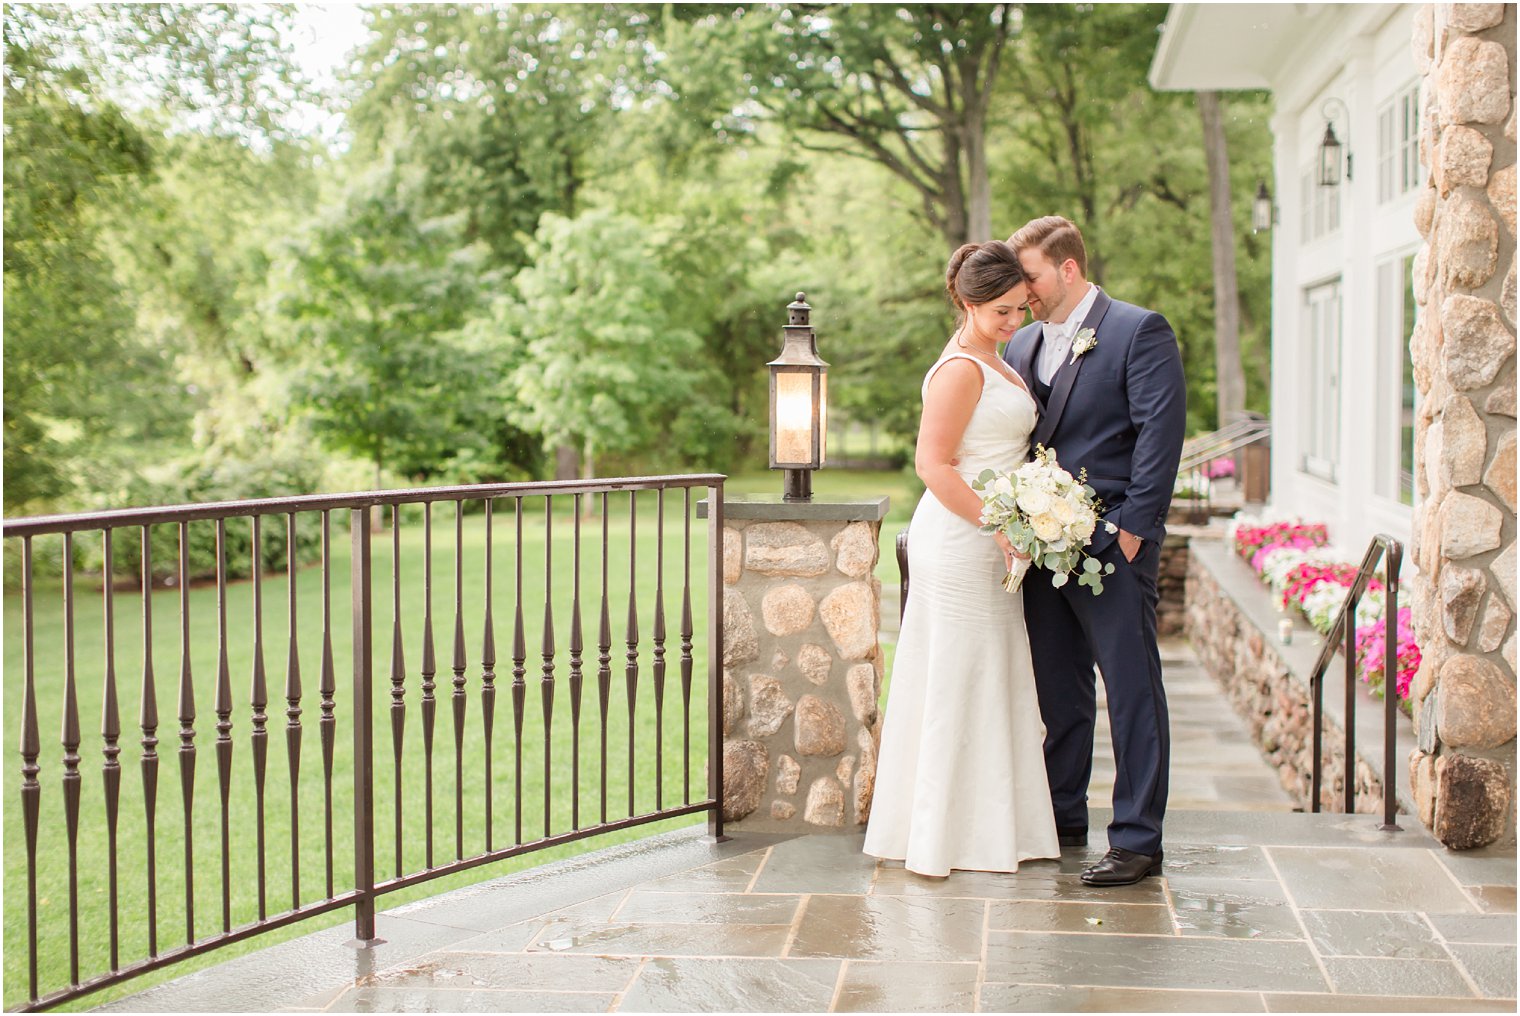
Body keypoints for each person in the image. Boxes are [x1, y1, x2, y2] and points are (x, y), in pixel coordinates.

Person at [863, 240, 1059, 877]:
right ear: (966, 303)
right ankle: (940, 837)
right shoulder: (959, 370)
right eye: (1000, 311)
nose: (1013, 321)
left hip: (994, 535)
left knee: (991, 675)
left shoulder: (996, 360)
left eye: (1019, 309)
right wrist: (999, 523)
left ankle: (994, 829)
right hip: (958, 538)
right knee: (954, 675)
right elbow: (934, 466)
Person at [1001, 215, 1187, 886]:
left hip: (1113, 546)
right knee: (1060, 691)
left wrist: (1132, 531)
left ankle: (1137, 839)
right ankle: (1062, 814)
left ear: (1069, 268)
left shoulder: (1139, 331)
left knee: (1132, 690)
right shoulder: (1020, 344)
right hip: (1044, 550)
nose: (1023, 290)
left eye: (1031, 276)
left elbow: (1159, 435)